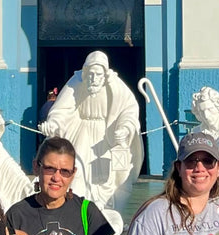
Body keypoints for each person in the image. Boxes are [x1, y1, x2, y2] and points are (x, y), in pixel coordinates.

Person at [38, 51, 143, 223]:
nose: (94, 78)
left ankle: (105, 216)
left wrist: (124, 129)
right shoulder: (76, 84)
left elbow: (128, 111)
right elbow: (62, 110)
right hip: (82, 135)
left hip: (105, 137)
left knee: (108, 179)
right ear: (85, 73)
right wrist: (54, 124)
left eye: (98, 75)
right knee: (77, 172)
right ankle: (77, 215)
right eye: (91, 74)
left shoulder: (116, 87)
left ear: (105, 75)